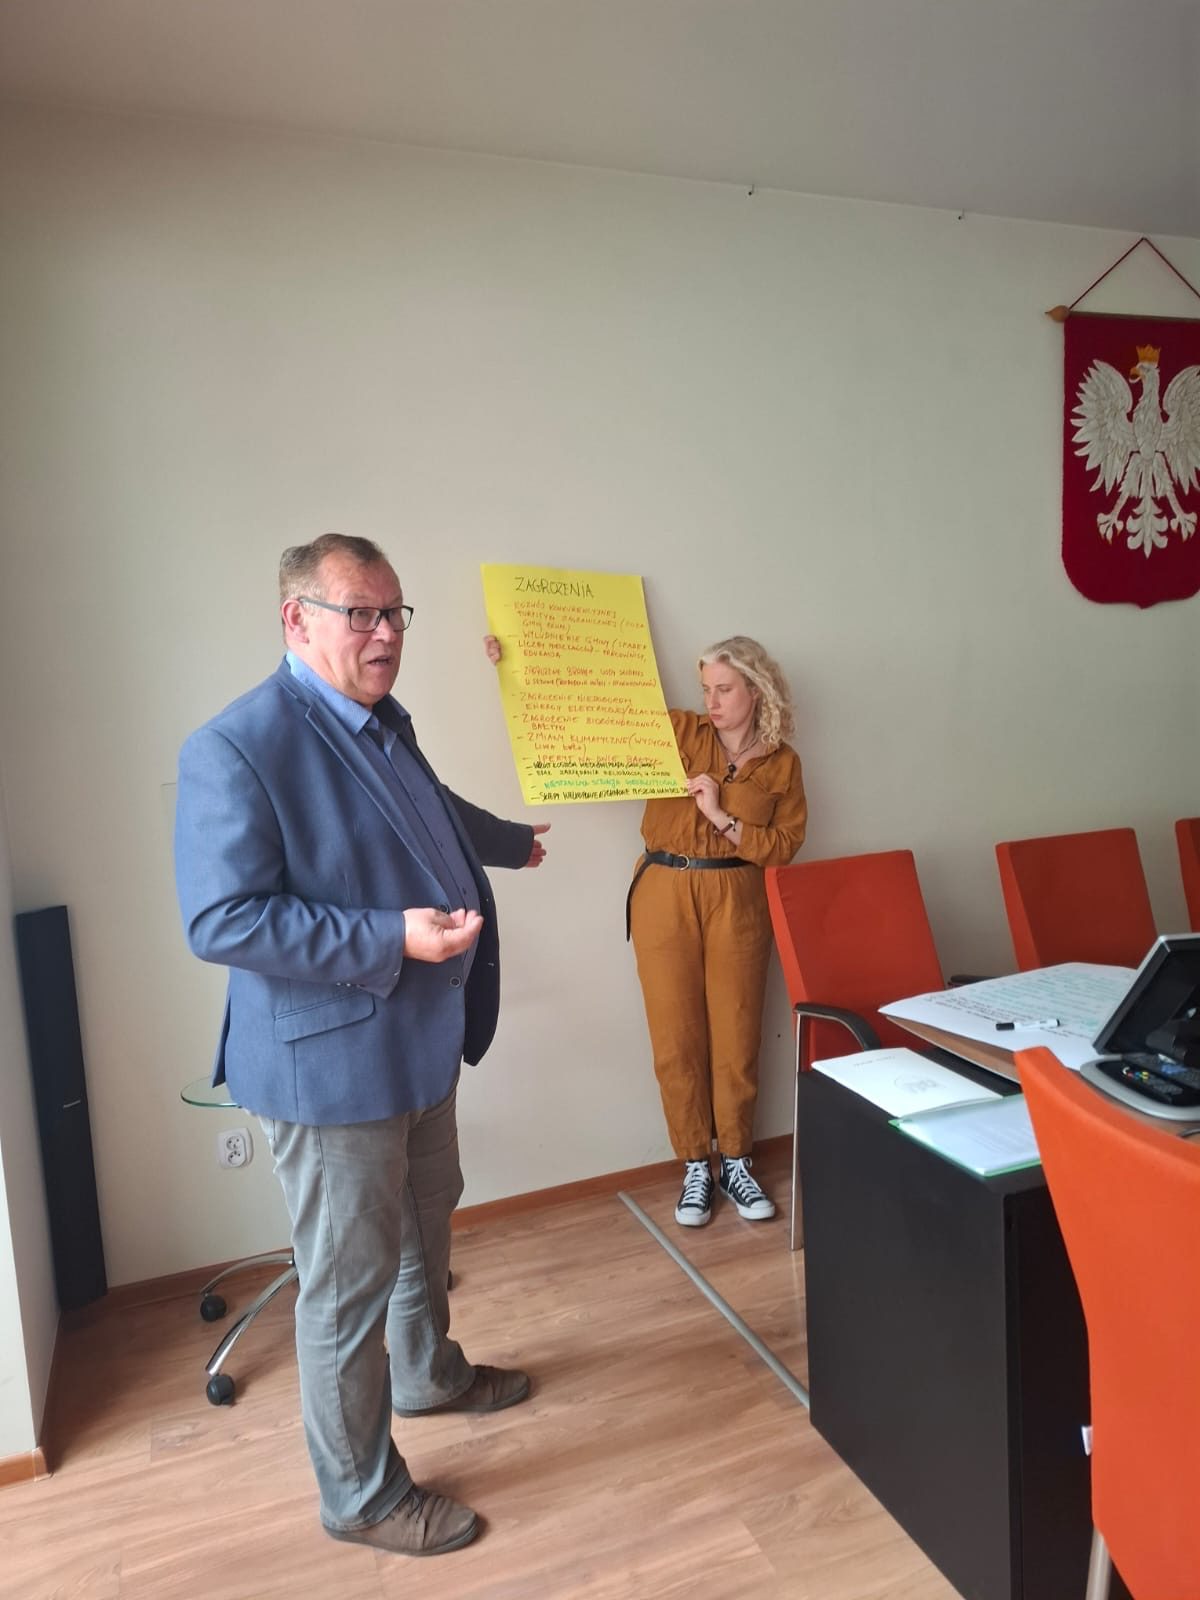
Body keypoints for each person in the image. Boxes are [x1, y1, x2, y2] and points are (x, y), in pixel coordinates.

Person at [175, 533, 548, 1560]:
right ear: (296, 620)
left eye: (395, 613)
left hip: (418, 1043)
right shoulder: (237, 746)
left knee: (425, 1226)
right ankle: (362, 1496)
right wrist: (391, 937)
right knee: (348, 1285)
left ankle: (429, 1375)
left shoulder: (379, 720)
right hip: (328, 1068)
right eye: (361, 613)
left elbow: (431, 812)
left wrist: (512, 843)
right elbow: (221, 919)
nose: (386, 633)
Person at [484, 632, 805, 1229]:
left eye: (724, 689)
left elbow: (783, 847)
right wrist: (520, 662)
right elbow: (591, 714)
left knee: (738, 1031)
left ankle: (737, 1161)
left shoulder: (782, 762)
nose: (711, 701)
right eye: (706, 688)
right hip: (663, 888)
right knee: (674, 1034)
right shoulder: (678, 732)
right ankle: (695, 1164)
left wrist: (719, 815)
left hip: (737, 895)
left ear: (757, 690)